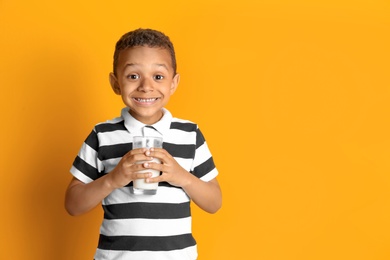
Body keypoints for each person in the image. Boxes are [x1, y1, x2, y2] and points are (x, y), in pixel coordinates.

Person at [65, 28, 222, 260]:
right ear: (115, 83)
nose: (146, 86)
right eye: (133, 76)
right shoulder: (102, 134)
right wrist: (113, 179)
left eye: (158, 76)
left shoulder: (189, 134)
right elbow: (73, 204)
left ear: (173, 83)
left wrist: (181, 176)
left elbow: (214, 202)